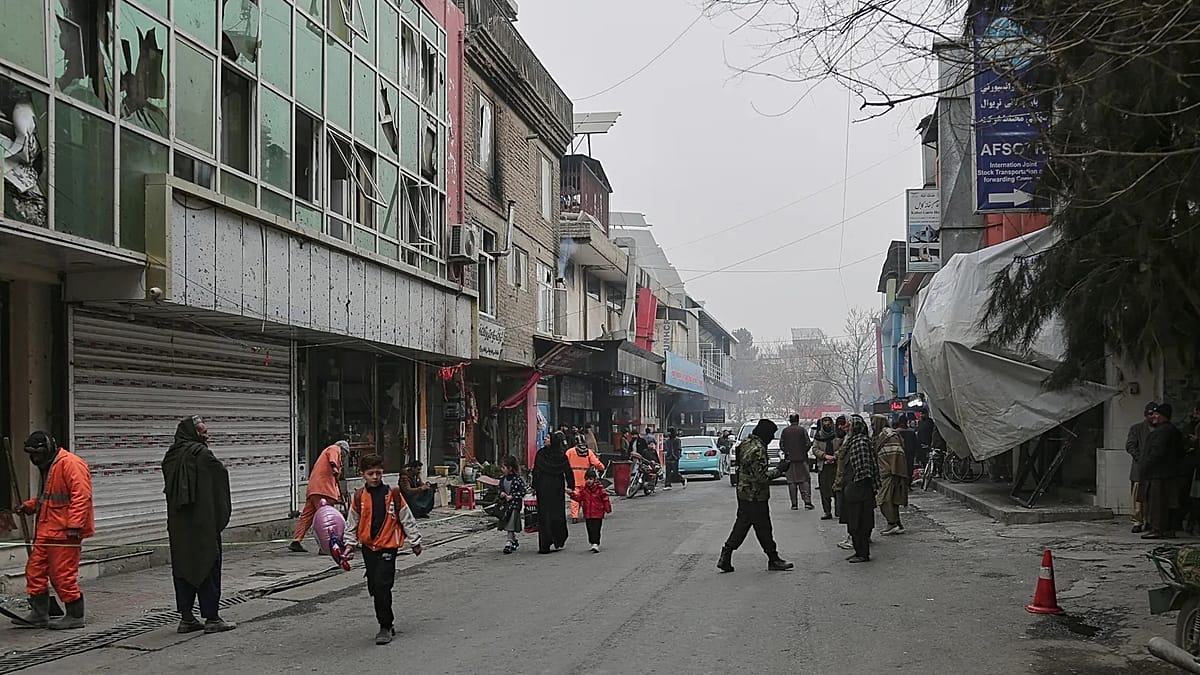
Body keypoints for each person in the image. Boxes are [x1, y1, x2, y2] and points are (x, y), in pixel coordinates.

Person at [11, 432, 94, 629]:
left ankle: (75, 615)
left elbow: (81, 496)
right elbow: (49, 498)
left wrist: (74, 525)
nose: (33, 459)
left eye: (37, 454)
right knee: (35, 572)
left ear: (47, 449)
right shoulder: (50, 466)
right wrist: (30, 506)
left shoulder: (71, 464)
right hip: (47, 530)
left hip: (64, 533)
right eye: (31, 454)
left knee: (62, 575)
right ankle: (40, 613)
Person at [162, 416, 236, 634]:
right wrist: (217, 519)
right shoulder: (203, 455)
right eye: (203, 432)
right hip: (203, 525)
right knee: (208, 566)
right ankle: (212, 618)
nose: (207, 436)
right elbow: (220, 478)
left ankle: (187, 618)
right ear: (192, 434)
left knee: (183, 569)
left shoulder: (171, 457)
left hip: (179, 527)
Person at [344, 453, 423, 645]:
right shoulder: (359, 497)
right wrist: (349, 545)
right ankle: (386, 619)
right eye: (370, 473)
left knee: (382, 585)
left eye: (378, 473)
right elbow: (352, 523)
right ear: (362, 474)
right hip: (368, 548)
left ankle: (385, 626)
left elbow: (407, 518)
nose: (375, 477)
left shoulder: (393, 494)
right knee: (374, 587)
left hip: (388, 547)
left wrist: (415, 541)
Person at [717, 419, 794, 573]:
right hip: (755, 495)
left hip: (743, 492)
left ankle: (726, 555)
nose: (771, 438)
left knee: (743, 525)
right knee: (763, 527)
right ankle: (773, 559)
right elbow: (762, 477)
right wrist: (780, 469)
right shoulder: (758, 450)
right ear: (765, 433)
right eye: (771, 435)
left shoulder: (746, 442)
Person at [289, 440, 348, 552]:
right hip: (323, 491)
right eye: (345, 454)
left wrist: (338, 496)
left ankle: (296, 540)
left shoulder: (327, 455)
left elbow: (334, 481)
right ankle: (326, 546)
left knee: (306, 517)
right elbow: (332, 460)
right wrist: (334, 466)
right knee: (326, 519)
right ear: (343, 450)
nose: (344, 457)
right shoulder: (334, 448)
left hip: (314, 489)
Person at [1138, 403, 1185, 540]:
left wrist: (1145, 466)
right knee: (1168, 502)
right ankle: (1168, 528)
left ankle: (1157, 529)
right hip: (1169, 472)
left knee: (1157, 503)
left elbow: (1157, 452)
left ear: (1163, 416)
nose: (1154, 416)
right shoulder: (1172, 430)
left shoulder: (1162, 431)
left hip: (1158, 473)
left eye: (1157, 414)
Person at [843, 415, 880, 563]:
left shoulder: (860, 442)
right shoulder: (853, 441)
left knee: (860, 522)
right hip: (855, 488)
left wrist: (856, 486)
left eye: (850, 425)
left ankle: (863, 553)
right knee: (853, 522)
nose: (847, 428)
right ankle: (858, 551)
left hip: (860, 489)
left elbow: (864, 469)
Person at [533, 431, 574, 553]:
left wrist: (571, 486)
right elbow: (536, 471)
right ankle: (547, 543)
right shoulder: (541, 454)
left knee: (555, 515)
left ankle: (554, 539)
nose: (545, 439)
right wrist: (534, 486)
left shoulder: (559, 455)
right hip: (545, 489)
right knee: (546, 516)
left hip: (554, 489)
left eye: (547, 438)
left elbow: (568, 471)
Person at [872, 415, 910, 535]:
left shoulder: (889, 435)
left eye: (874, 423)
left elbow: (896, 453)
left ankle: (892, 523)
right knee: (892, 500)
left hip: (890, 472)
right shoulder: (879, 436)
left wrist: (892, 469)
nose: (872, 426)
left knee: (883, 500)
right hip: (885, 472)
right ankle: (897, 524)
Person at [1126, 402, 1156, 533]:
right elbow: (1130, 446)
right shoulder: (1137, 428)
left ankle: (1149, 520)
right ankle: (1137, 521)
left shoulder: (1160, 429)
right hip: (1140, 469)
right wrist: (1141, 459)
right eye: (1150, 414)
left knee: (1152, 497)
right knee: (1138, 498)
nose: (1152, 417)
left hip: (1154, 469)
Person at [571, 467, 612, 552]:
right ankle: (592, 542)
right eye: (587, 479)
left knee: (596, 529)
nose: (588, 481)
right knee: (590, 529)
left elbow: (605, 499)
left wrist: (607, 508)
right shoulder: (584, 489)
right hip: (588, 513)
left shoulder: (600, 489)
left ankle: (596, 543)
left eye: (590, 479)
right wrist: (572, 495)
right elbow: (579, 498)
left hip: (598, 513)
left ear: (595, 479)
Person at [566, 437, 605, 522]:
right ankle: (587, 514)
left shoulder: (570, 452)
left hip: (573, 478)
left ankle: (575, 516)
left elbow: (564, 462)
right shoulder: (588, 452)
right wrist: (602, 467)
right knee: (586, 497)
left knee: (574, 497)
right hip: (586, 479)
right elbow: (596, 463)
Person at [780, 414, 813, 511]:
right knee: (804, 480)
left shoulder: (785, 431)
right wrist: (803, 451)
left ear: (790, 421)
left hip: (789, 460)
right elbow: (808, 443)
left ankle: (794, 504)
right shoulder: (802, 430)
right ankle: (807, 502)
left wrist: (787, 452)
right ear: (798, 420)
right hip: (802, 459)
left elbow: (781, 445)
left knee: (791, 482)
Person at [811, 416, 841, 520]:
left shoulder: (837, 434)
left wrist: (834, 456)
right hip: (823, 466)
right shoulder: (819, 435)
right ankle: (827, 512)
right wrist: (824, 456)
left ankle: (839, 511)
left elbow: (842, 447)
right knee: (824, 490)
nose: (827, 424)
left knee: (837, 489)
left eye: (828, 421)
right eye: (825, 421)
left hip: (836, 466)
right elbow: (815, 448)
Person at [497, 456, 526, 554]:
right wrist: (501, 493)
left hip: (515, 506)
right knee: (508, 523)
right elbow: (499, 489)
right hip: (505, 506)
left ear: (510, 468)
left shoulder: (518, 480)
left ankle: (508, 542)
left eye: (504, 467)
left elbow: (523, 492)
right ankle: (513, 540)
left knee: (511, 523)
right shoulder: (502, 479)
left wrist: (513, 496)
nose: (502, 469)